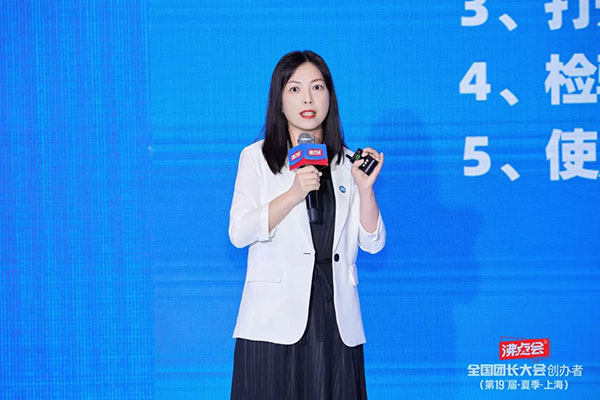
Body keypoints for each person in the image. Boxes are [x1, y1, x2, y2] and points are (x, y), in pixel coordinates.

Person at [228, 50, 385, 400]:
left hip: (335, 319)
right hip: (272, 321)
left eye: (317, 87)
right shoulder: (256, 158)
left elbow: (373, 242)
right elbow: (239, 232)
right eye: (295, 89)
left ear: (330, 95)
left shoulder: (348, 163)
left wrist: (365, 190)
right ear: (279, 101)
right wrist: (294, 193)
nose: (308, 99)